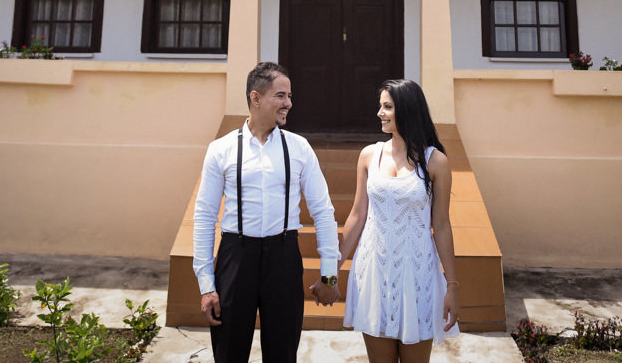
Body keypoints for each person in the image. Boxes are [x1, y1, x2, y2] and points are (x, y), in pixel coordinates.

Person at [192, 61, 342, 363]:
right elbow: (205, 216)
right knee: (229, 353)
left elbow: (323, 212)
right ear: (255, 98)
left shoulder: (299, 148)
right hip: (236, 256)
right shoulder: (220, 149)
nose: (288, 103)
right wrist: (206, 285)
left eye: (289, 96)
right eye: (281, 96)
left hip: (283, 257)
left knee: (283, 353)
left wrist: (329, 276)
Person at [340, 78, 460, 362]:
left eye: (387, 107)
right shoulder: (369, 155)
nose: (380, 113)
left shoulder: (436, 161)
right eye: (381, 106)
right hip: (373, 274)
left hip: (418, 276)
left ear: (406, 109)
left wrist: (452, 286)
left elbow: (441, 225)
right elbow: (357, 216)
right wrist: (330, 273)